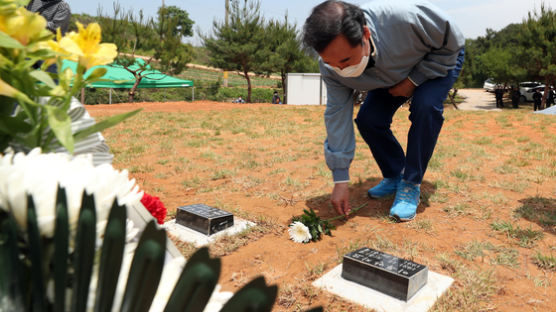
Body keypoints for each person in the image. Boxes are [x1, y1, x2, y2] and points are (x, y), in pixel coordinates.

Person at [303, 0, 465, 221]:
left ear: (366, 34)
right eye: (333, 64)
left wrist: (413, 81)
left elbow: (451, 43)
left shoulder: (404, 17)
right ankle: (395, 174)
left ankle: (411, 183)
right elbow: (337, 115)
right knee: (369, 119)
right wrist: (340, 179)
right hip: (388, 74)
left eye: (346, 60)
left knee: (425, 107)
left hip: (437, 59)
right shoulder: (332, 68)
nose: (342, 70)